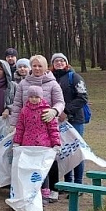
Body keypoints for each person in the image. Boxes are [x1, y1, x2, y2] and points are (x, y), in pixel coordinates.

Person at [9, 54, 65, 199]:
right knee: (29, 161)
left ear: (45, 67)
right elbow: (17, 105)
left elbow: (60, 102)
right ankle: (32, 189)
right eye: (34, 65)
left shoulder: (52, 83)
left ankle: (53, 188)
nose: (37, 68)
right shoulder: (23, 83)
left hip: (46, 128)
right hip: (28, 129)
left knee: (49, 160)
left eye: (40, 66)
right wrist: (14, 124)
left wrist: (54, 111)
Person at [12, 85, 61, 205]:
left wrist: (56, 144)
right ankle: (31, 192)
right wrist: (17, 142)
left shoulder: (46, 110)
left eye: (36, 97)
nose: (34, 99)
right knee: (30, 169)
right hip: (27, 145)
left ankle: (45, 192)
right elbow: (20, 127)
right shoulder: (24, 111)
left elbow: (53, 129)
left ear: (41, 97)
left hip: (43, 145)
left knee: (42, 169)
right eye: (31, 97)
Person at [51, 53, 88, 185]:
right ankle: (68, 183)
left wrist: (66, 110)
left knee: (76, 151)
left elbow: (82, 97)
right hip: (57, 120)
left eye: (62, 61)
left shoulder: (75, 77)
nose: (59, 63)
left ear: (66, 63)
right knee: (64, 151)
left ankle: (78, 183)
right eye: (56, 61)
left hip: (75, 119)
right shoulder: (51, 78)